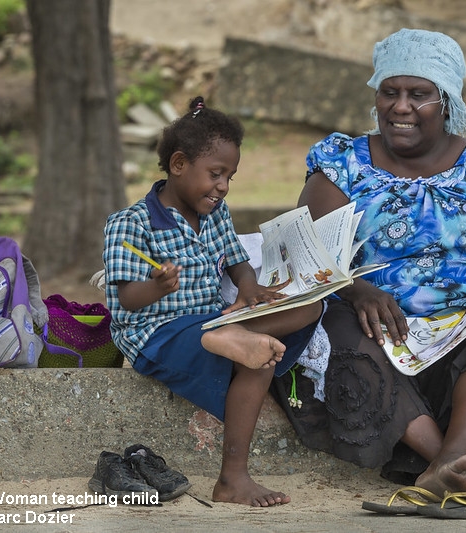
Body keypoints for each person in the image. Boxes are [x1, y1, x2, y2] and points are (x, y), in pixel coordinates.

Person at [289, 28, 466, 498]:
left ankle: (448, 461)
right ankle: (445, 464)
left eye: (419, 94)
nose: (401, 106)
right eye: (390, 92)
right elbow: (303, 250)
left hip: (465, 326)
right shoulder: (342, 163)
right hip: (374, 326)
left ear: (447, 100)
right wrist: (356, 289)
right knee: (334, 326)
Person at [102, 96, 322, 506]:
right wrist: (158, 287)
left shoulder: (215, 215)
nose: (222, 186)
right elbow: (128, 300)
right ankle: (227, 337)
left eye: (230, 178)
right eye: (216, 174)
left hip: (211, 322)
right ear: (179, 164)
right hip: (156, 333)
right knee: (245, 349)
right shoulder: (129, 223)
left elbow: (237, 262)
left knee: (291, 327)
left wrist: (250, 290)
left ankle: (232, 481)